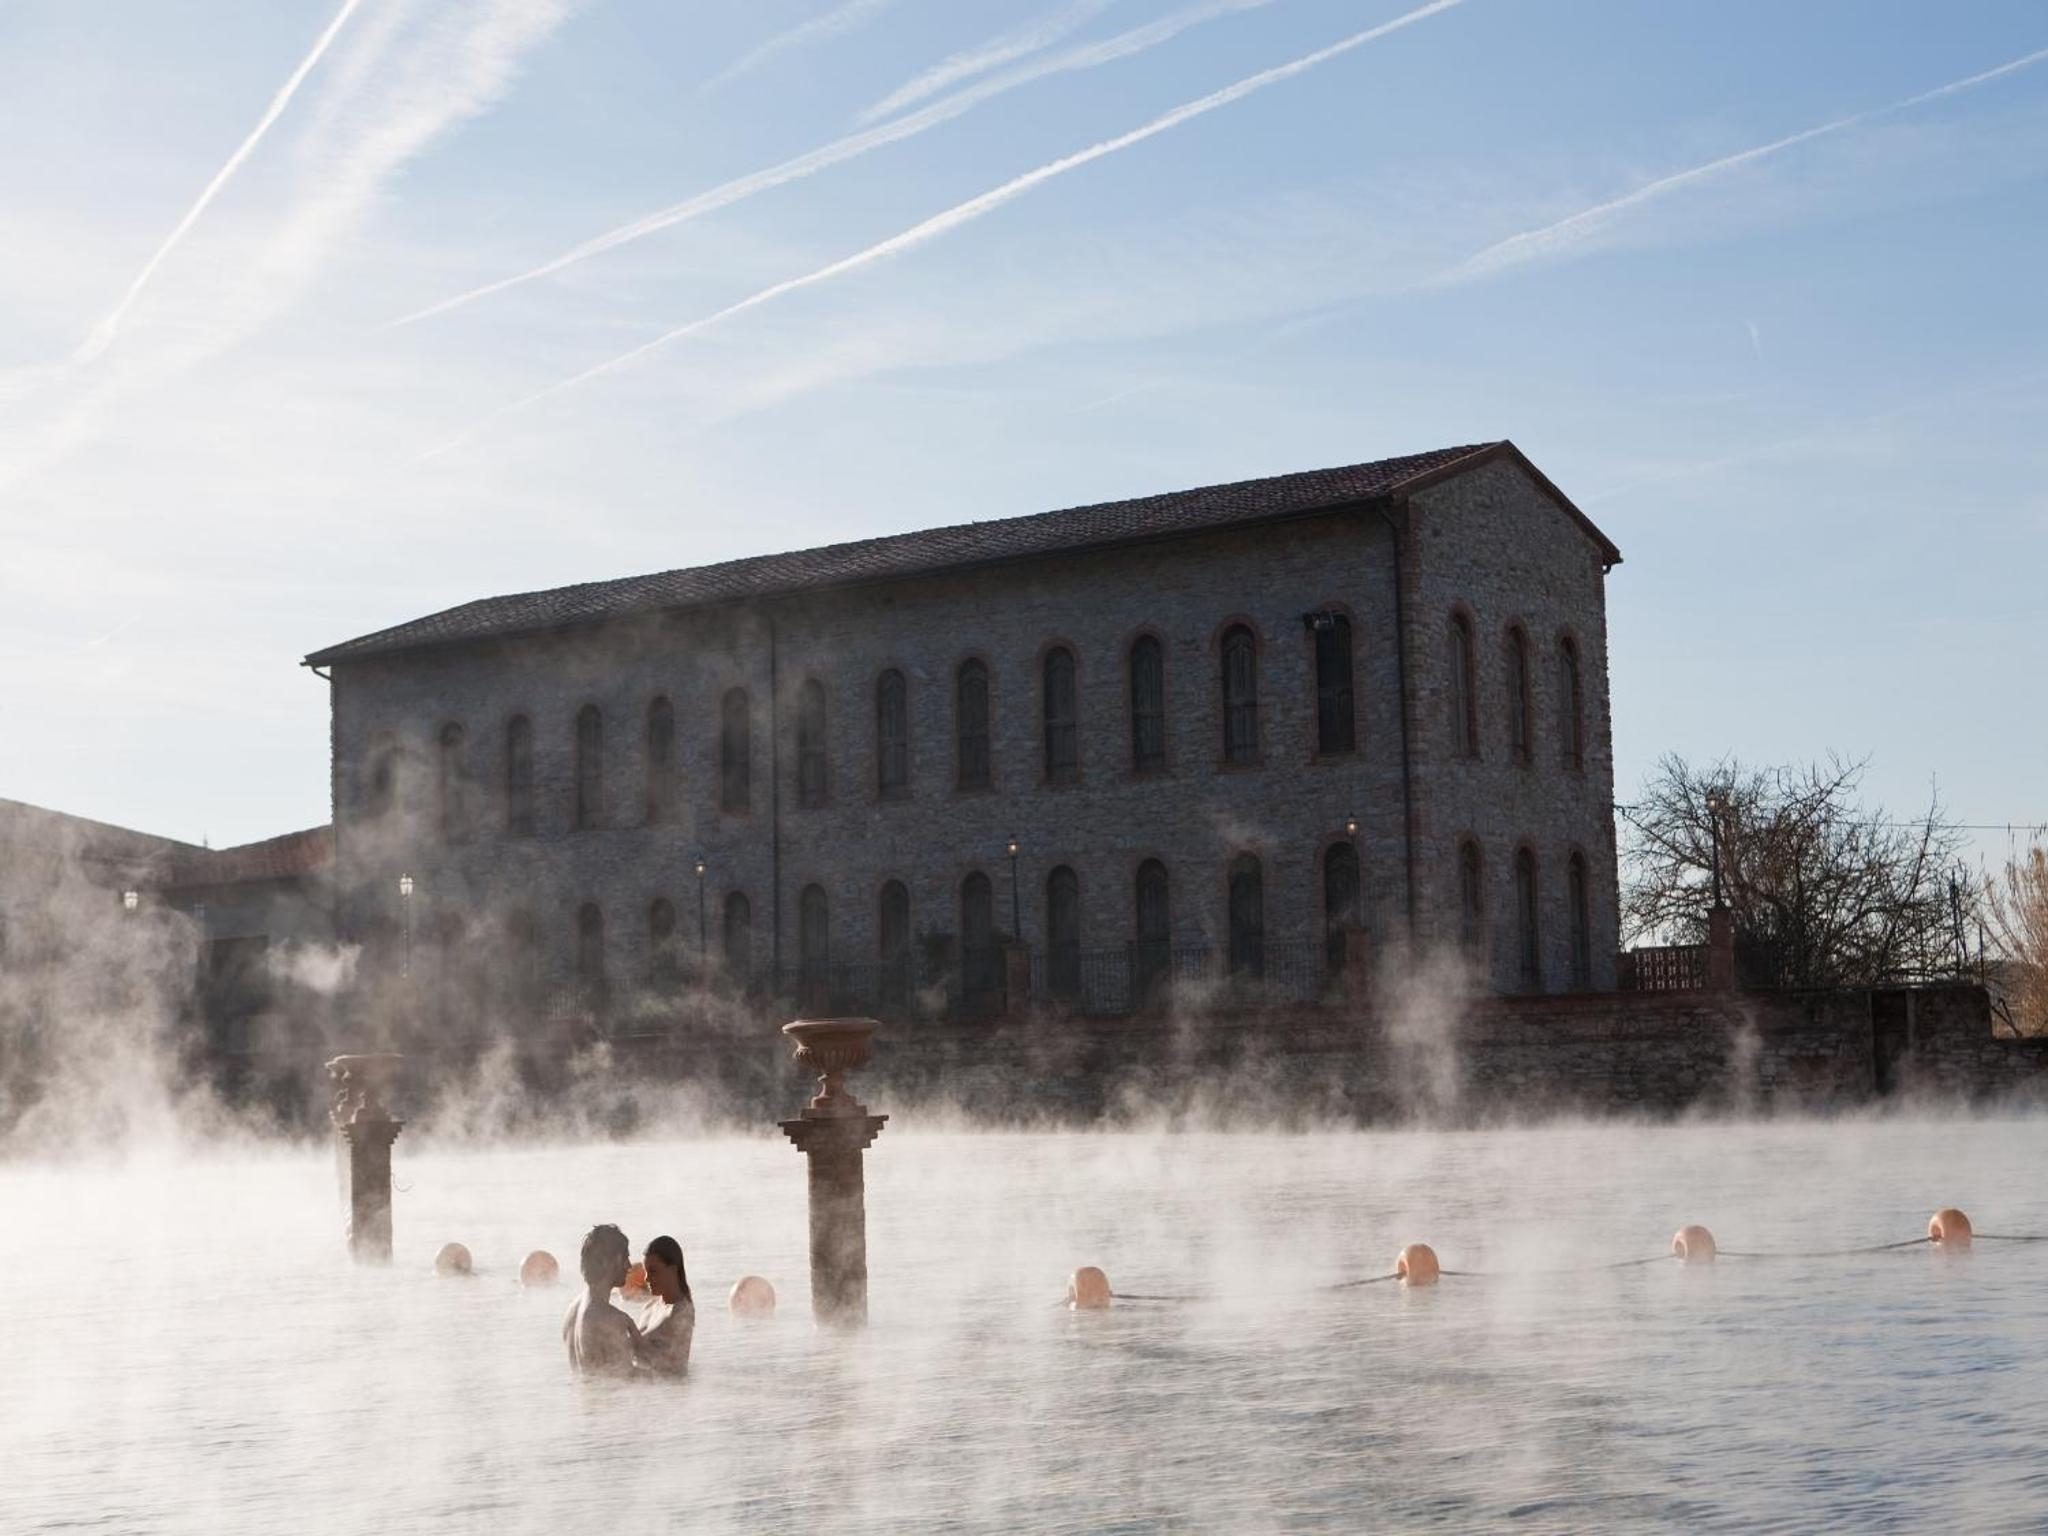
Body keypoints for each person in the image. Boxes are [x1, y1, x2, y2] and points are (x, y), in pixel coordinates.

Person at [562, 1224, 640, 1376]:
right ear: (607, 1261)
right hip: (609, 1392)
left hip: (583, 1391)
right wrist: (673, 1374)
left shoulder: (571, 1313)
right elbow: (627, 1379)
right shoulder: (608, 1319)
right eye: (625, 1258)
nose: (629, 1266)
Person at [636, 1234, 696, 1375]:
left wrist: (631, 1336)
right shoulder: (649, 1307)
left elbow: (674, 1365)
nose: (647, 1279)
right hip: (644, 1385)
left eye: (653, 1271)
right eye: (646, 1272)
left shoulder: (681, 1312)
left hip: (669, 1388)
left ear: (673, 1269)